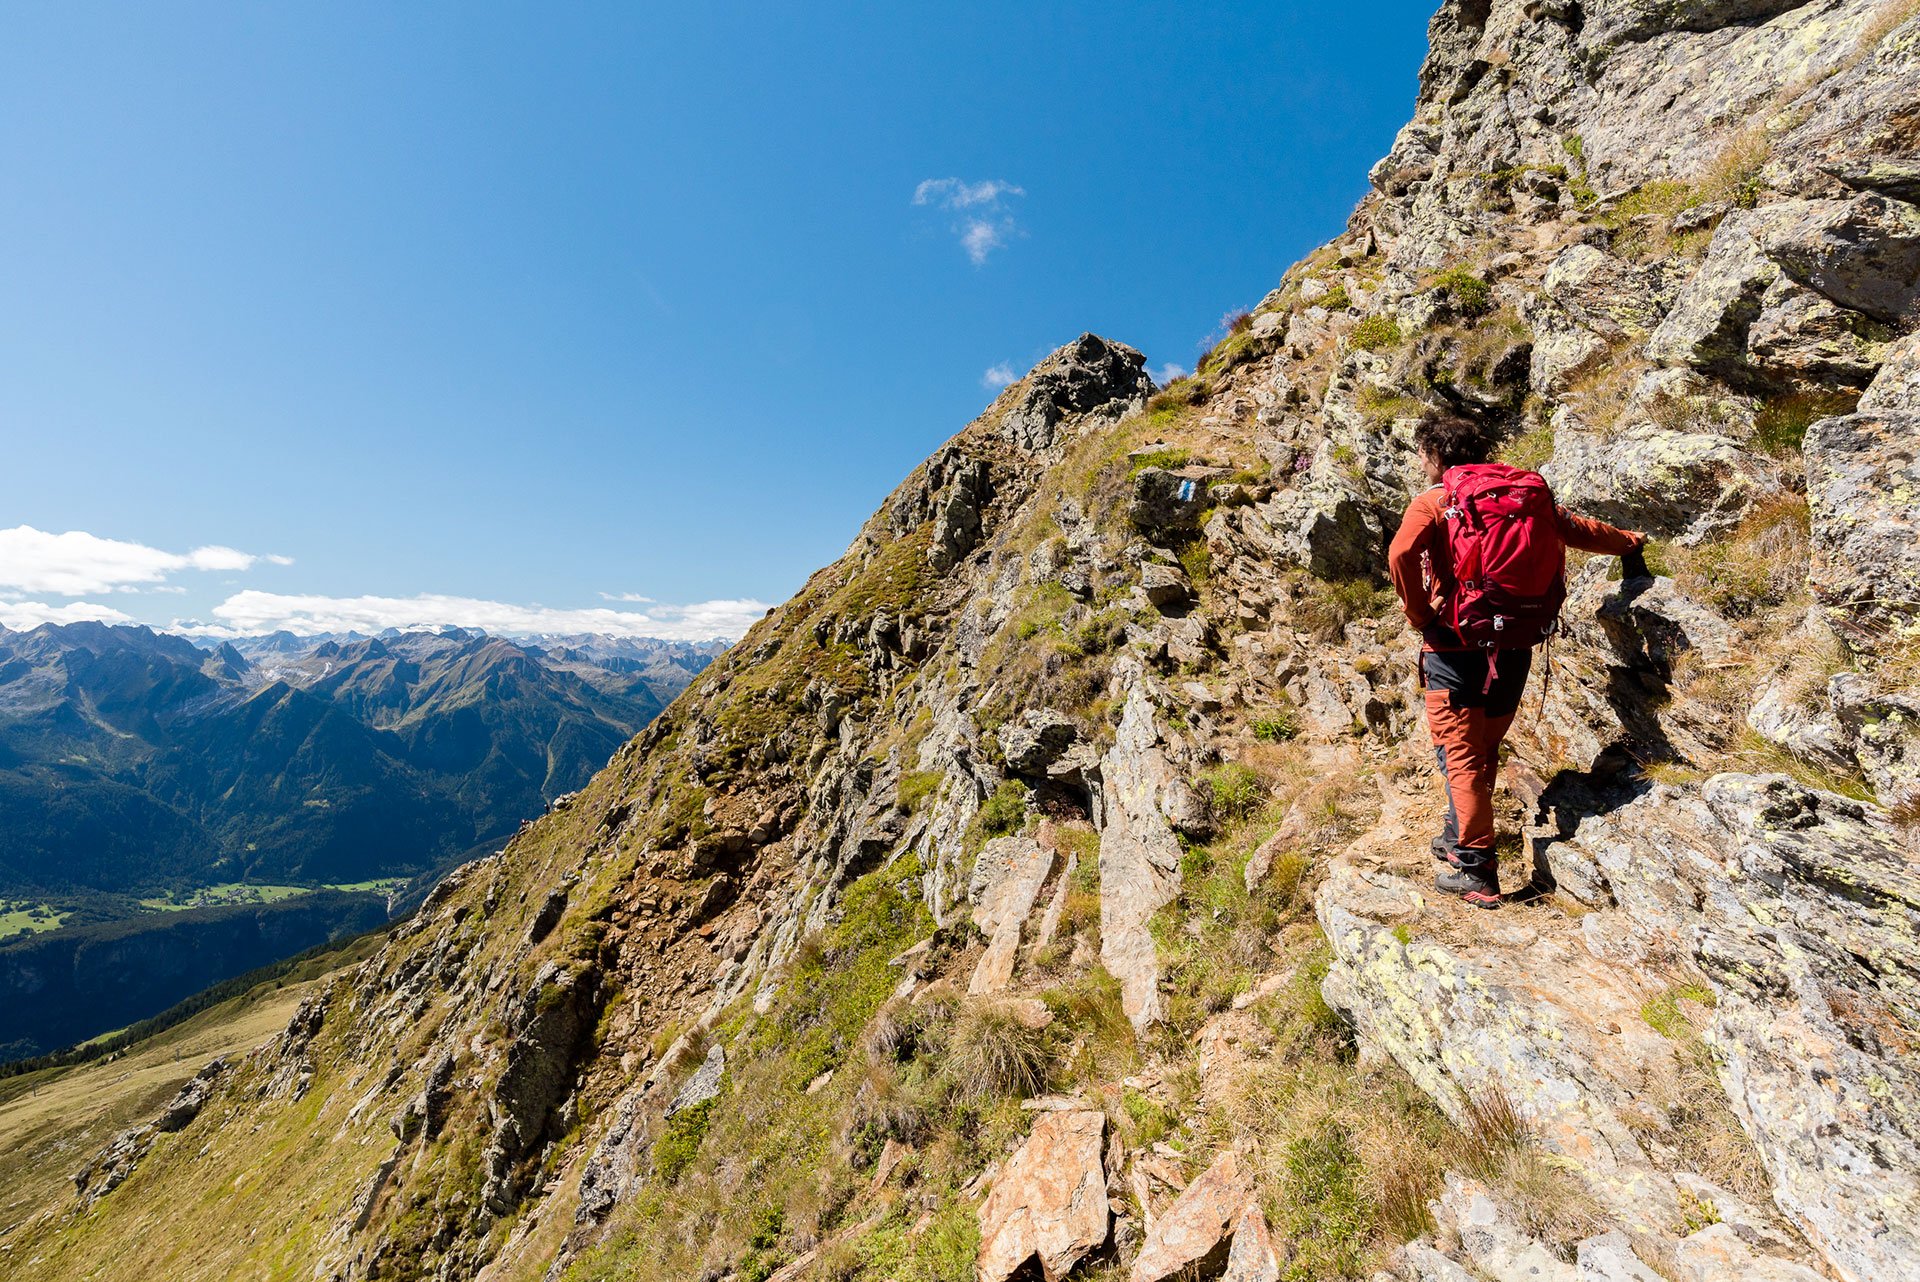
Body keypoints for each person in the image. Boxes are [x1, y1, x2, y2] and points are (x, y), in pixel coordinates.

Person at [1387, 415, 1647, 909]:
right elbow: (1576, 528)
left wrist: (1421, 615)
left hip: (1454, 645)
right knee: (1482, 748)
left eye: (1423, 455)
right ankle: (1457, 829)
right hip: (1516, 644)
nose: (1421, 463)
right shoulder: (1521, 497)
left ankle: (1476, 870)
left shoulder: (1435, 501)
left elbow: (1401, 554)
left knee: (1458, 754)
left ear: (1437, 456)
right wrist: (1628, 542)